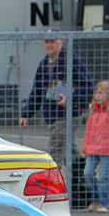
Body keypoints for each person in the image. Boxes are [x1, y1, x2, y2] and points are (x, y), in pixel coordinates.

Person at [19, 33, 94, 169]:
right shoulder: (44, 64)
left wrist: (71, 99)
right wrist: (26, 114)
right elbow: (37, 90)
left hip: (67, 114)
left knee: (56, 151)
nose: (49, 45)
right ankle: (82, 181)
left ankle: (55, 185)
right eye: (47, 42)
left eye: (52, 41)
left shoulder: (71, 60)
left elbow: (87, 85)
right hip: (52, 116)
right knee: (68, 150)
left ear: (60, 42)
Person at [81, 81, 109, 214]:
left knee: (103, 176)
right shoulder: (93, 112)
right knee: (88, 173)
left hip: (106, 150)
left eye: (101, 93)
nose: (97, 96)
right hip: (93, 149)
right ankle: (95, 198)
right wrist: (85, 148)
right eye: (96, 93)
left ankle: (105, 202)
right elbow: (88, 132)